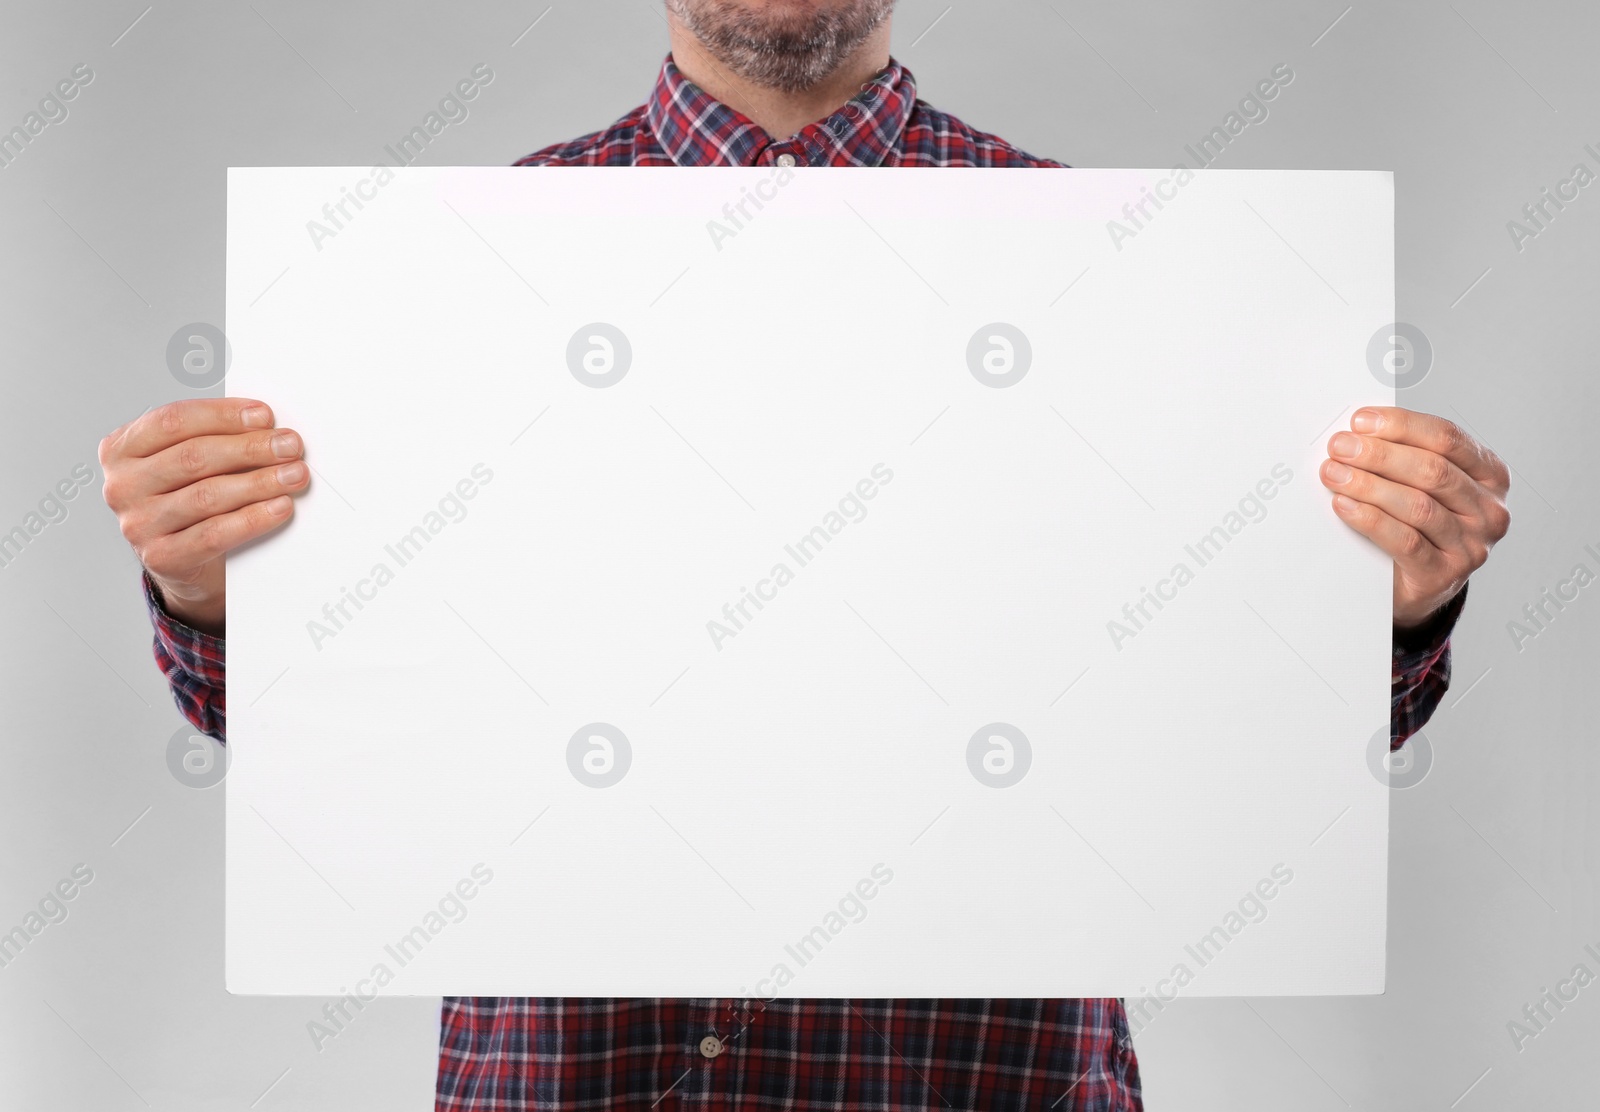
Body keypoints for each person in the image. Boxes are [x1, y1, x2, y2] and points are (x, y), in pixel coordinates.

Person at [98, 1, 1512, 1108]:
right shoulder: (449, 279)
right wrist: (215, 592)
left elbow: (1244, 758)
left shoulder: (1125, 275)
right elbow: (326, 752)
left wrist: (1384, 611)